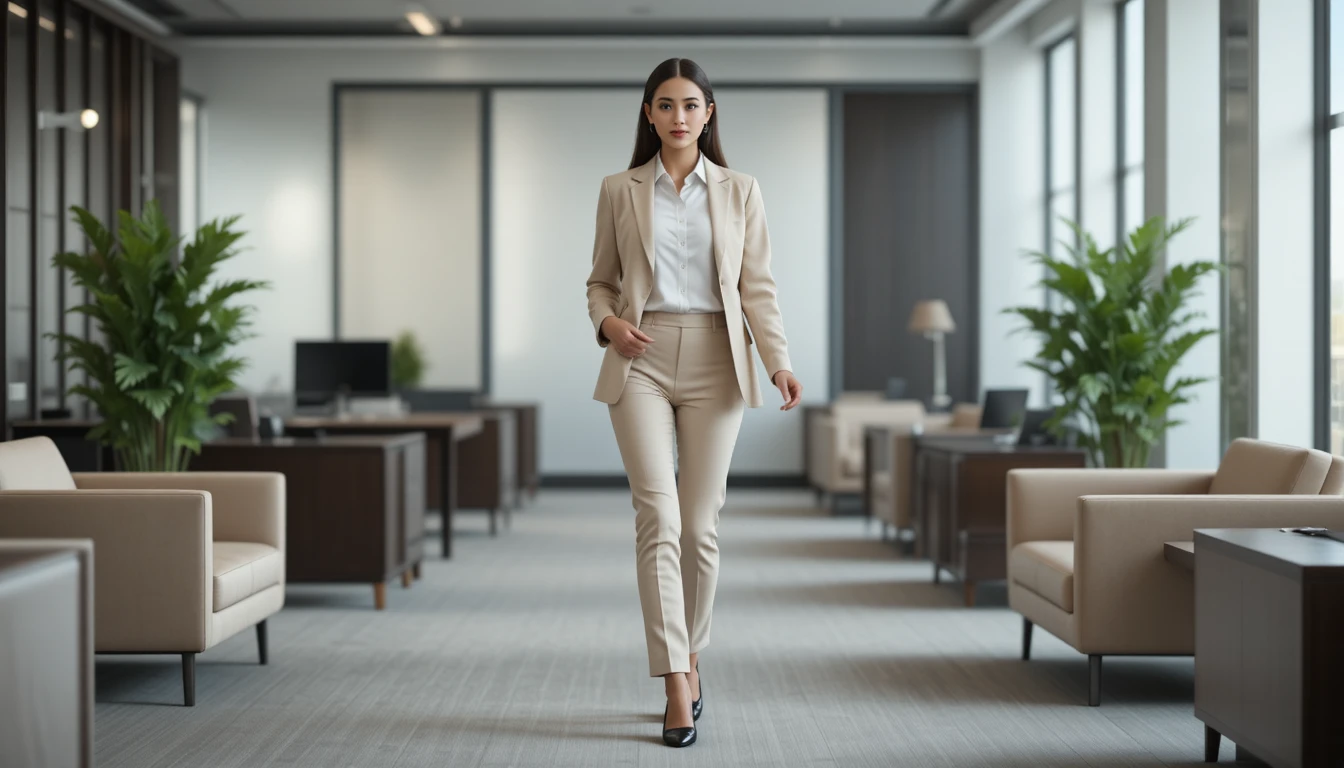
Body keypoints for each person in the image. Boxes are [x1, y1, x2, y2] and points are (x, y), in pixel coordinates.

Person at [584, 57, 803, 748]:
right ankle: (677, 676)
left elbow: (758, 287)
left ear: (709, 114)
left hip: (717, 357)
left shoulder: (741, 190)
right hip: (639, 360)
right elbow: (599, 282)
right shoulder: (620, 189)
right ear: (648, 114)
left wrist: (779, 361)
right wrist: (610, 324)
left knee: (700, 526)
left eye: (690, 105)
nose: (678, 116)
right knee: (658, 515)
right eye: (665, 105)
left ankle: (692, 648)